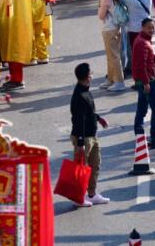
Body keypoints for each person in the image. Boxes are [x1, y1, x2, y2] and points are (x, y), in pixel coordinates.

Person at [69, 62, 110, 206]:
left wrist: (99, 118)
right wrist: (80, 143)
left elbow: (89, 113)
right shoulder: (79, 95)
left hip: (92, 135)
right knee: (81, 168)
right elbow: (79, 120)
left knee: (94, 164)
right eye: (91, 73)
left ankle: (91, 194)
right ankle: (78, 197)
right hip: (84, 138)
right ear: (87, 77)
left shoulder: (85, 90)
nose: (92, 75)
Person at [132, 18, 155, 148]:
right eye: (149, 27)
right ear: (142, 27)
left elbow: (149, 61)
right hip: (148, 82)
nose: (151, 30)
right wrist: (146, 83)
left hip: (144, 80)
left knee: (142, 109)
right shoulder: (142, 42)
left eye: (153, 27)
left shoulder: (143, 40)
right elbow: (141, 66)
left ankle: (139, 136)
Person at [92, 0, 126, 93]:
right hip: (115, 27)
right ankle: (111, 78)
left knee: (113, 56)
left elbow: (101, 16)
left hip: (109, 29)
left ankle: (119, 81)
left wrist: (100, 7)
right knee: (111, 55)